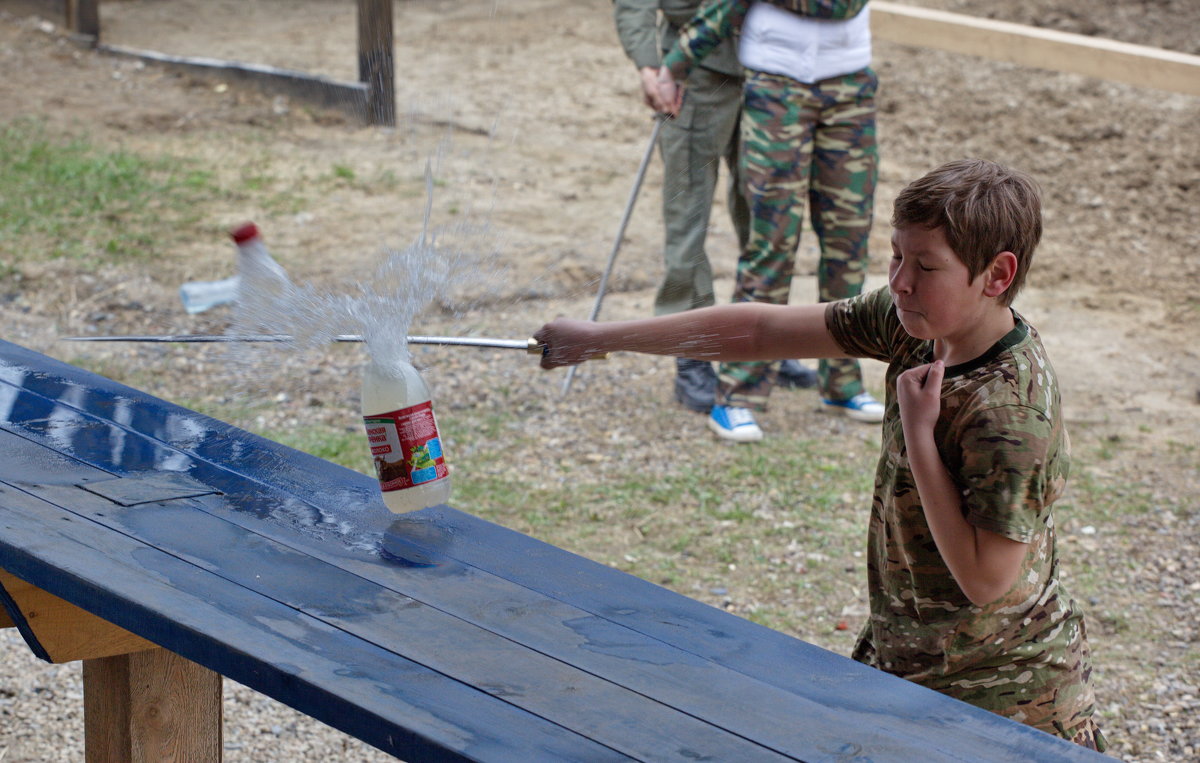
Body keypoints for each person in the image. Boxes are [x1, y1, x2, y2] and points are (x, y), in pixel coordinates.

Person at [534, 159, 1106, 750]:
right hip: (913, 664)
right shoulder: (915, 325)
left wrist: (919, 435)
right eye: (896, 256)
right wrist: (601, 339)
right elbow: (760, 333)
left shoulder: (1010, 413)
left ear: (996, 275)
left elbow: (987, 580)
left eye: (927, 266)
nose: (901, 281)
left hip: (1003, 702)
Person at [657, 0, 882, 441]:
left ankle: (841, 381)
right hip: (775, 83)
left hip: (850, 83)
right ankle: (738, 394)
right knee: (771, 242)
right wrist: (676, 62)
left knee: (848, 239)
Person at [614, 0, 794, 414]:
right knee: (688, 216)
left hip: (777, 71)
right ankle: (691, 347)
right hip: (695, 72)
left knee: (767, 212)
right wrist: (648, 65)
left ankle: (770, 340)